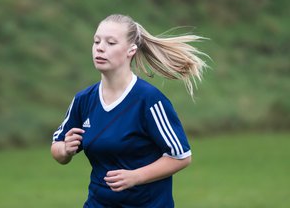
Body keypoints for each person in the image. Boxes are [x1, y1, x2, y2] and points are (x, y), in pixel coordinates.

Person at [51, 14, 208, 207]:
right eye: (96, 41)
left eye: (111, 43)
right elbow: (57, 147)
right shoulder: (84, 100)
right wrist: (65, 150)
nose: (100, 48)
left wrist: (136, 176)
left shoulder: (149, 100)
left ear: (131, 50)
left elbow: (181, 156)